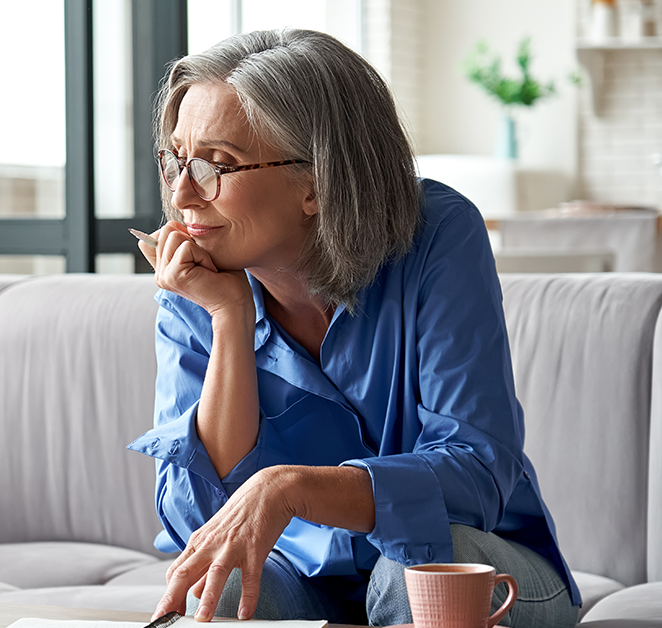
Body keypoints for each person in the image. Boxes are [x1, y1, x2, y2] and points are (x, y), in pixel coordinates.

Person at [126, 29, 580, 628]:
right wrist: (229, 319)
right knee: (224, 587)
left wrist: (291, 487)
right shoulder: (198, 278)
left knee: (410, 576)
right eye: (176, 160)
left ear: (315, 182)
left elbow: (477, 471)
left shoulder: (438, 235)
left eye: (217, 165)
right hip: (306, 574)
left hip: (474, 560)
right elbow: (196, 521)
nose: (183, 194)